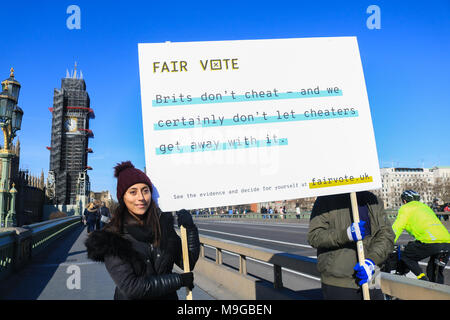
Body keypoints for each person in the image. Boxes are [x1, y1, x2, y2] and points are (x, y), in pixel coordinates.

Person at [84, 161, 200, 300]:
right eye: (133, 192)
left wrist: (190, 229)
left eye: (145, 190)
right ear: (123, 197)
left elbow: (187, 262)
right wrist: (178, 280)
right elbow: (132, 288)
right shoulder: (112, 237)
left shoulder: (162, 225)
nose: (141, 197)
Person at [308, 191, 395, 300]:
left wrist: (371, 261)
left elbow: (386, 235)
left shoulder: (373, 199)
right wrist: (346, 234)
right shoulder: (326, 200)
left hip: (372, 276)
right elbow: (314, 236)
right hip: (340, 283)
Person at [392, 190, 450, 283]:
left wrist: (388, 242)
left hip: (430, 241)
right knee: (435, 273)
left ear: (405, 201)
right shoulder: (425, 207)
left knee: (407, 256)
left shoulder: (405, 208)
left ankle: (422, 279)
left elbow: (397, 228)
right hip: (447, 241)